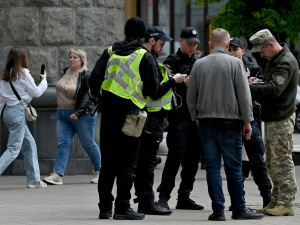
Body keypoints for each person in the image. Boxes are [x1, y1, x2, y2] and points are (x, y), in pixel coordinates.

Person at [187, 28, 264, 221]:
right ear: (228, 44)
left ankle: (218, 210)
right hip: (230, 123)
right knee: (234, 168)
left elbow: (191, 96)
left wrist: (195, 115)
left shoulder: (199, 64)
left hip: (206, 122)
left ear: (211, 44)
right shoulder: (236, 64)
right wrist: (247, 120)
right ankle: (239, 208)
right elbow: (244, 96)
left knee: (212, 168)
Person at [89, 16, 159, 220]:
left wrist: (103, 97)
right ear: (144, 36)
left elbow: (94, 79)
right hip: (132, 116)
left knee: (108, 162)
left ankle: (104, 208)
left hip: (109, 113)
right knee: (127, 163)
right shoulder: (143, 56)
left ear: (125, 33)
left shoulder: (110, 51)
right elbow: (153, 89)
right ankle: (122, 207)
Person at [134, 26, 186, 215]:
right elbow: (154, 91)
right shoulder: (146, 58)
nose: (163, 47)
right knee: (147, 163)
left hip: (149, 116)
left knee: (143, 162)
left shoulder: (146, 57)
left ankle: (143, 199)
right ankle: (147, 202)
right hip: (151, 117)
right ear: (151, 40)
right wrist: (174, 81)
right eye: (161, 43)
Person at [248, 29, 298, 216]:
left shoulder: (285, 62)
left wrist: (249, 86)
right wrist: (259, 81)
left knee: (282, 162)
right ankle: (276, 201)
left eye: (261, 50)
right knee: (272, 162)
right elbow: (271, 84)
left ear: (270, 44)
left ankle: (286, 203)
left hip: (281, 118)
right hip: (274, 116)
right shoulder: (276, 59)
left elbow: (275, 89)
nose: (260, 54)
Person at [156, 27, 204, 211]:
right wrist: (181, 83)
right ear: (181, 41)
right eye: (189, 44)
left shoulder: (198, 62)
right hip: (179, 117)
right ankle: (164, 196)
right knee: (175, 157)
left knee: (193, 158)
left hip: (195, 117)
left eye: (195, 44)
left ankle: (184, 196)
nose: (192, 47)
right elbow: (164, 88)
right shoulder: (171, 62)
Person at [43, 48, 101, 185]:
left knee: (88, 143)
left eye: (75, 57)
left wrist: (78, 112)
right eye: (70, 57)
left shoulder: (86, 75)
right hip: (63, 115)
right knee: (63, 144)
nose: (71, 59)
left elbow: (89, 96)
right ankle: (57, 175)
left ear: (82, 60)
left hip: (81, 116)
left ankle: (100, 171)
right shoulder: (66, 72)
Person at [229, 37, 272, 208]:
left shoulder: (253, 67)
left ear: (242, 50)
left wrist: (248, 82)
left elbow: (261, 92)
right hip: (232, 119)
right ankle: (238, 200)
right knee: (235, 164)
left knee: (257, 160)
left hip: (251, 119)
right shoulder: (227, 68)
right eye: (229, 49)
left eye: (235, 49)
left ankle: (267, 198)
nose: (232, 53)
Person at [0, 47, 48, 188]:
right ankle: (33, 180)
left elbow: (1, 100)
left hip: (8, 113)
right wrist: (44, 80)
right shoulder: (24, 73)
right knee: (13, 149)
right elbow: (37, 92)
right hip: (18, 113)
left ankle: (33, 180)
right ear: (23, 59)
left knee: (29, 144)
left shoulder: (5, 75)